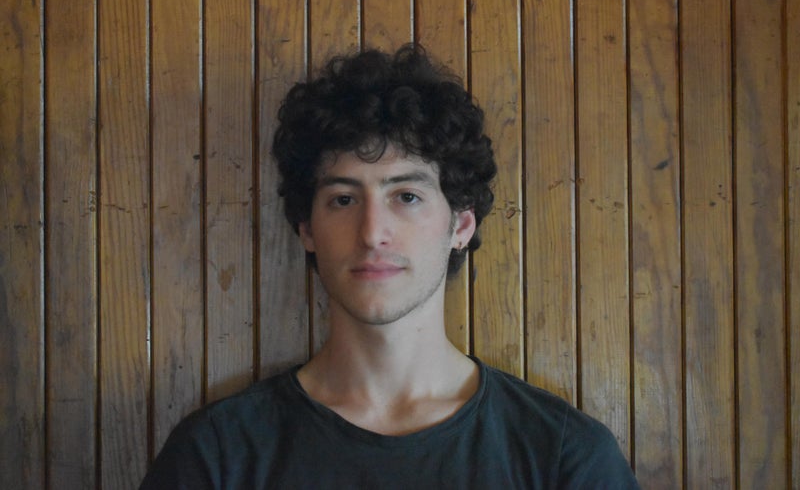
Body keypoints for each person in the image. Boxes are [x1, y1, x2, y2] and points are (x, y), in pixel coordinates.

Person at [140, 44, 639, 489]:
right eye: (343, 199)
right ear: (306, 228)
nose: (372, 231)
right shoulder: (216, 455)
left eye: (406, 196)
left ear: (461, 225)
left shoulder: (565, 458)